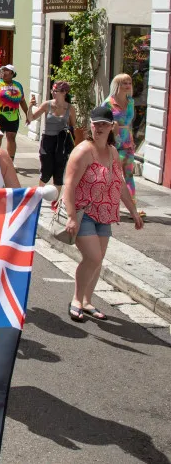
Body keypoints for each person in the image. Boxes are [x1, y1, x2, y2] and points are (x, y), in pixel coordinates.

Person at [62, 106, 143, 323]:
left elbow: (121, 184)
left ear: (111, 127)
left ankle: (88, 301)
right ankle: (76, 300)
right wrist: (71, 216)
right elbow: (69, 185)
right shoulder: (82, 151)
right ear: (90, 124)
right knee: (93, 257)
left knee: (98, 261)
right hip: (83, 212)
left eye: (104, 124)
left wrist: (133, 211)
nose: (99, 127)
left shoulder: (113, 152)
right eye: (96, 123)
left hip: (106, 213)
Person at [27, 80, 76, 194]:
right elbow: (31, 118)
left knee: (59, 170)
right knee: (46, 169)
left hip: (61, 142)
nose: (53, 93)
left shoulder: (70, 108)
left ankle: (55, 201)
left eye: (56, 91)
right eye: (52, 90)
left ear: (64, 92)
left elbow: (73, 126)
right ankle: (39, 194)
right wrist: (30, 107)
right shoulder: (47, 105)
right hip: (47, 140)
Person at [104, 73, 137, 199]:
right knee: (112, 174)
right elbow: (98, 120)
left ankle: (133, 205)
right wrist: (112, 124)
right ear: (117, 85)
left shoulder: (131, 101)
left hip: (128, 142)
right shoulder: (108, 103)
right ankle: (109, 202)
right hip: (113, 142)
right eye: (125, 83)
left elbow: (129, 123)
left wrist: (132, 139)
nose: (128, 85)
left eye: (129, 83)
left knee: (129, 174)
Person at [0, 65, 28, 158]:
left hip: (13, 115)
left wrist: (27, 114)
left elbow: (22, 101)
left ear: (12, 73)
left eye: (6, 70)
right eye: (2, 70)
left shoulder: (18, 85)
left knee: (11, 137)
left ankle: (10, 160)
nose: (3, 72)